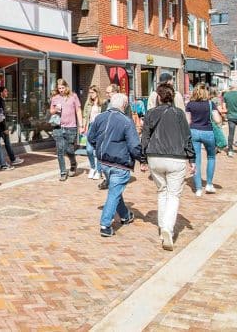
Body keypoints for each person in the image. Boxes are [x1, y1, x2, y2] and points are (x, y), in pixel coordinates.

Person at [140, 82, 195, 250]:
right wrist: (192, 159)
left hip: (155, 157)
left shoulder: (150, 114)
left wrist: (142, 159)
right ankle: (167, 228)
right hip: (176, 158)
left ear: (158, 97)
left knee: (162, 191)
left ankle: (162, 226)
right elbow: (187, 136)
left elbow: (145, 137)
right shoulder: (179, 114)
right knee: (173, 195)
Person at [87, 89, 142, 238]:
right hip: (120, 163)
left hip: (104, 161)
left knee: (115, 190)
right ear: (124, 105)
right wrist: (142, 159)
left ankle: (125, 215)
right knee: (114, 193)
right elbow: (134, 145)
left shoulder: (100, 118)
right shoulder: (126, 121)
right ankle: (105, 224)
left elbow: (90, 137)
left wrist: (99, 148)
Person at [185, 84, 218, 197]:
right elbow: (217, 119)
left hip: (194, 131)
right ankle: (209, 184)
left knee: (196, 160)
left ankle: (198, 189)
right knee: (211, 157)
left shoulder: (190, 104)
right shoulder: (210, 104)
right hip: (208, 132)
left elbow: (187, 121)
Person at [50, 79, 83, 181]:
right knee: (60, 150)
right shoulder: (55, 98)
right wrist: (55, 110)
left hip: (71, 127)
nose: (61, 90)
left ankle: (73, 163)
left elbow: (78, 110)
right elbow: (51, 111)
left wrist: (81, 125)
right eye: (59, 88)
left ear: (66, 87)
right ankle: (63, 172)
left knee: (69, 150)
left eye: (62, 88)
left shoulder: (73, 96)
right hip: (58, 127)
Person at [0, 87, 23, 167]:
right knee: (6, 142)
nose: (7, 93)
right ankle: (13, 159)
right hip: (1, 126)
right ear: (1, 93)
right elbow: (1, 116)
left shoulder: (0, 101)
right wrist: (5, 128)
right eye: (5, 91)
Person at [82, 85, 103, 179]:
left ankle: (99, 171)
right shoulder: (88, 103)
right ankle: (92, 167)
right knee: (89, 150)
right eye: (89, 93)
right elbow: (85, 115)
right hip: (91, 127)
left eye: (92, 92)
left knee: (98, 150)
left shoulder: (103, 103)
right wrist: (83, 126)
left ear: (97, 92)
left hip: (100, 128)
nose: (90, 94)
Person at [222, 86, 237, 157]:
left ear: (231, 88)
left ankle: (230, 150)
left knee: (231, 134)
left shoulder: (226, 95)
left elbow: (224, 107)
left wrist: (227, 113)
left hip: (231, 117)